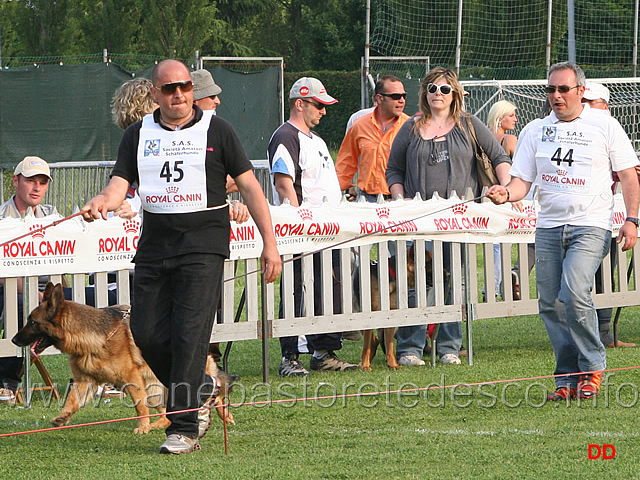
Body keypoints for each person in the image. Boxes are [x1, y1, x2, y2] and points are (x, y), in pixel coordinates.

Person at [82, 59, 281, 454]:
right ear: (154, 93)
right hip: (155, 246)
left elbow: (251, 188)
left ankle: (183, 426)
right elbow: (118, 185)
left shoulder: (218, 130)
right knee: (147, 332)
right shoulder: (137, 135)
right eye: (169, 88)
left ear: (192, 89)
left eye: (185, 87)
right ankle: (203, 387)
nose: (178, 95)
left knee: (189, 334)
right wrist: (102, 201)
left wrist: (269, 243)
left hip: (203, 246)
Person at [486, 62, 640, 401]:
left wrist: (632, 220)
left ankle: (593, 365)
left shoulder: (605, 125)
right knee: (550, 304)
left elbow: (629, 176)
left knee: (573, 291)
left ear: (580, 92)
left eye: (563, 89)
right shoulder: (535, 130)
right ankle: (568, 377)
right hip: (548, 228)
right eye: (551, 90)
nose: (556, 96)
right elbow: (521, 182)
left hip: (591, 224)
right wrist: (504, 193)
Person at [386, 66, 512, 366]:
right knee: (416, 284)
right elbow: (394, 169)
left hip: (459, 220)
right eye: (432, 88)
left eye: (444, 89)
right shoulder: (411, 127)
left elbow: (499, 157)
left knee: (457, 282)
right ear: (424, 93)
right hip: (419, 221)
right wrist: (400, 199)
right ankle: (410, 348)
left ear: (454, 93)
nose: (437, 94)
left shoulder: (468, 124)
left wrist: (505, 188)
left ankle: (449, 347)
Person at [268, 77, 359, 377]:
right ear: (300, 103)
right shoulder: (286, 136)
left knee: (327, 288)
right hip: (301, 233)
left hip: (326, 231)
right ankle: (290, 356)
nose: (323, 111)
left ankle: (323, 351)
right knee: (296, 291)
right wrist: (297, 226)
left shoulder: (316, 141)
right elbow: (285, 184)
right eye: (319, 105)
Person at [0, 157, 58, 404]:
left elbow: (67, 260)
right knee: (18, 304)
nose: (37, 188)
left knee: (104, 299)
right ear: (15, 181)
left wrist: (56, 295)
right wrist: (38, 296)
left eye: (42, 182)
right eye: (30, 181)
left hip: (49, 293)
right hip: (13, 289)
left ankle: (94, 380)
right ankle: (6, 383)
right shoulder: (2, 217)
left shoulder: (52, 215)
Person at [583, 82, 636, 348]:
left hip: (607, 217)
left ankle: (604, 333)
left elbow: (628, 172)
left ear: (605, 106)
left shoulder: (611, 131)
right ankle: (591, 334)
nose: (587, 108)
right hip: (575, 217)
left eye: (592, 103)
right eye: (584, 102)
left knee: (604, 275)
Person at [336, 75, 409, 201]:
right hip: (366, 200)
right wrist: (335, 193)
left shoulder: (409, 127)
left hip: (400, 200)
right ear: (380, 98)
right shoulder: (359, 125)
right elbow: (345, 163)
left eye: (404, 96)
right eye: (396, 96)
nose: (401, 100)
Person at [485, 100, 527, 300]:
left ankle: (491, 288)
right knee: (503, 242)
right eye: (511, 115)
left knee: (493, 243)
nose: (515, 119)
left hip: (483, 194)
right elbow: (521, 169)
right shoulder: (509, 140)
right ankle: (499, 287)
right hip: (504, 194)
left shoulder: (483, 136)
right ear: (499, 117)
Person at [192, 68, 245, 198]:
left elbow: (240, 181)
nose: (217, 101)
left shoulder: (220, 130)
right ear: (195, 101)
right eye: (211, 96)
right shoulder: (172, 133)